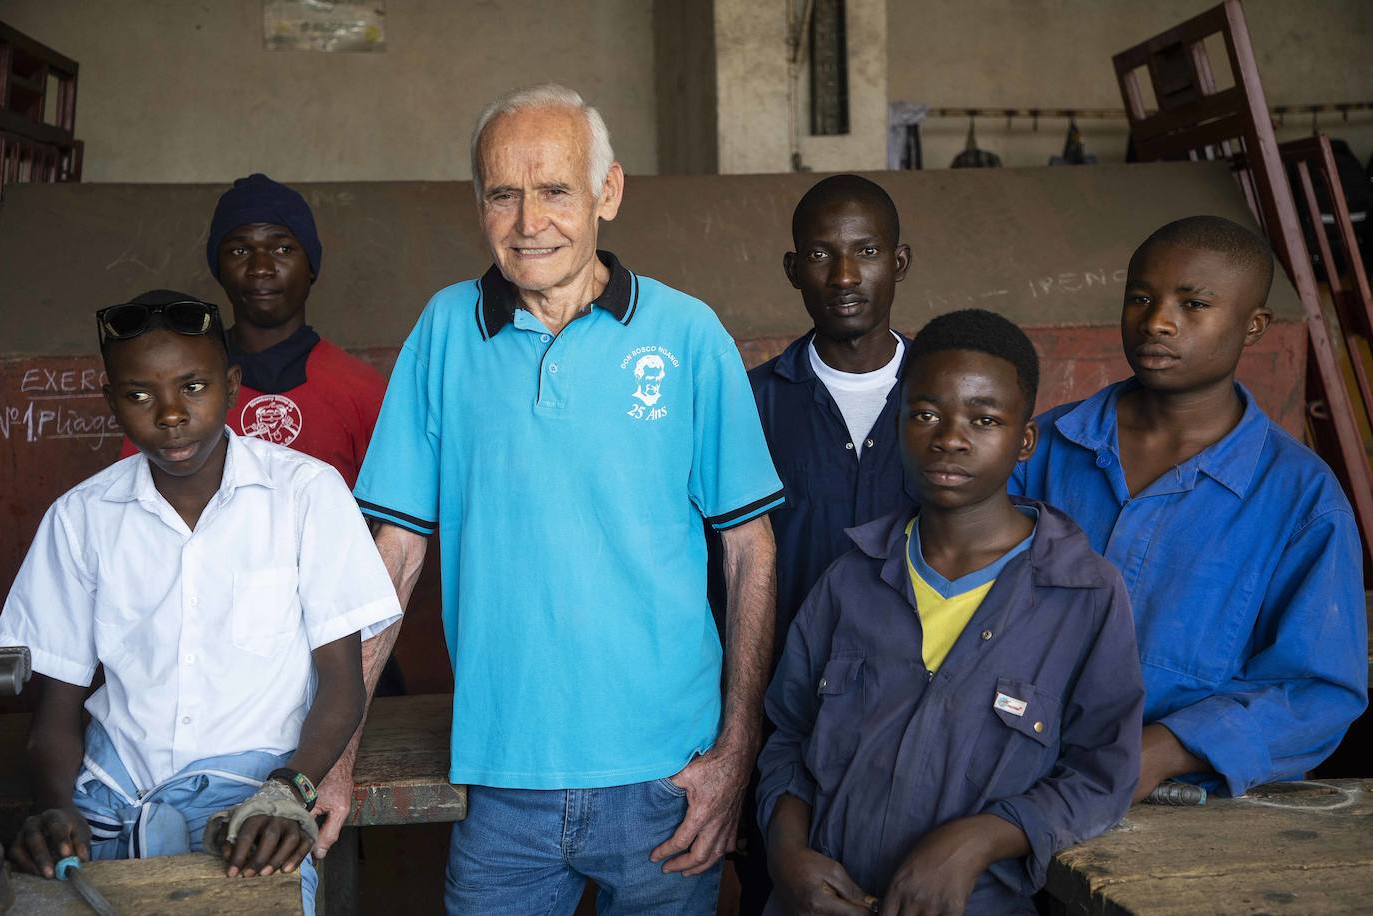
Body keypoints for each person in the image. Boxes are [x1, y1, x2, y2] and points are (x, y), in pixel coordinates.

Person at [352, 84, 783, 914]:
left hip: (668, 777)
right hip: (503, 781)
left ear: (606, 193)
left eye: (553, 190)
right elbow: (395, 554)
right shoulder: (444, 331)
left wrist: (737, 751)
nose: (527, 221)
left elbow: (749, 548)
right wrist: (331, 754)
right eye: (503, 194)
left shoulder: (688, 335)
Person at [0, 290, 401, 912]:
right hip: (111, 806)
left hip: (251, 815)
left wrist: (286, 793)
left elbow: (341, 685)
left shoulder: (305, 495)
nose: (169, 415)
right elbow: (56, 710)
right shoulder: (80, 519)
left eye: (193, 386)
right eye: (138, 394)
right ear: (111, 402)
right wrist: (54, 809)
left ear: (232, 384)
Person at [758, 309, 1143, 915]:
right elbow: (790, 738)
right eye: (925, 414)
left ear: (1024, 442)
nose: (950, 438)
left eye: (984, 419)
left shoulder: (1083, 595)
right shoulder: (852, 577)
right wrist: (788, 857)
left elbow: (1101, 775)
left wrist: (977, 842)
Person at [1012, 216, 1368, 801]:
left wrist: (1165, 749)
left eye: (1194, 303)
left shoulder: (1301, 498)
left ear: (1253, 326)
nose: (1157, 321)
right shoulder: (1042, 447)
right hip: (1012, 769)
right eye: (1141, 298)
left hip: (1180, 806)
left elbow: (1318, 691)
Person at [729, 173, 915, 913]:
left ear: (899, 262)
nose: (844, 276)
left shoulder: (953, 401)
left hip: (917, 726)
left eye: (866, 250)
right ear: (792, 269)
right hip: (779, 726)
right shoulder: (748, 405)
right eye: (820, 254)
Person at [120, 173, 387, 488]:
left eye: (283, 249)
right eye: (239, 251)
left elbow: (391, 522)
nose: (261, 267)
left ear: (312, 265)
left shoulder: (364, 392)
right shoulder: (179, 392)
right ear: (218, 268)